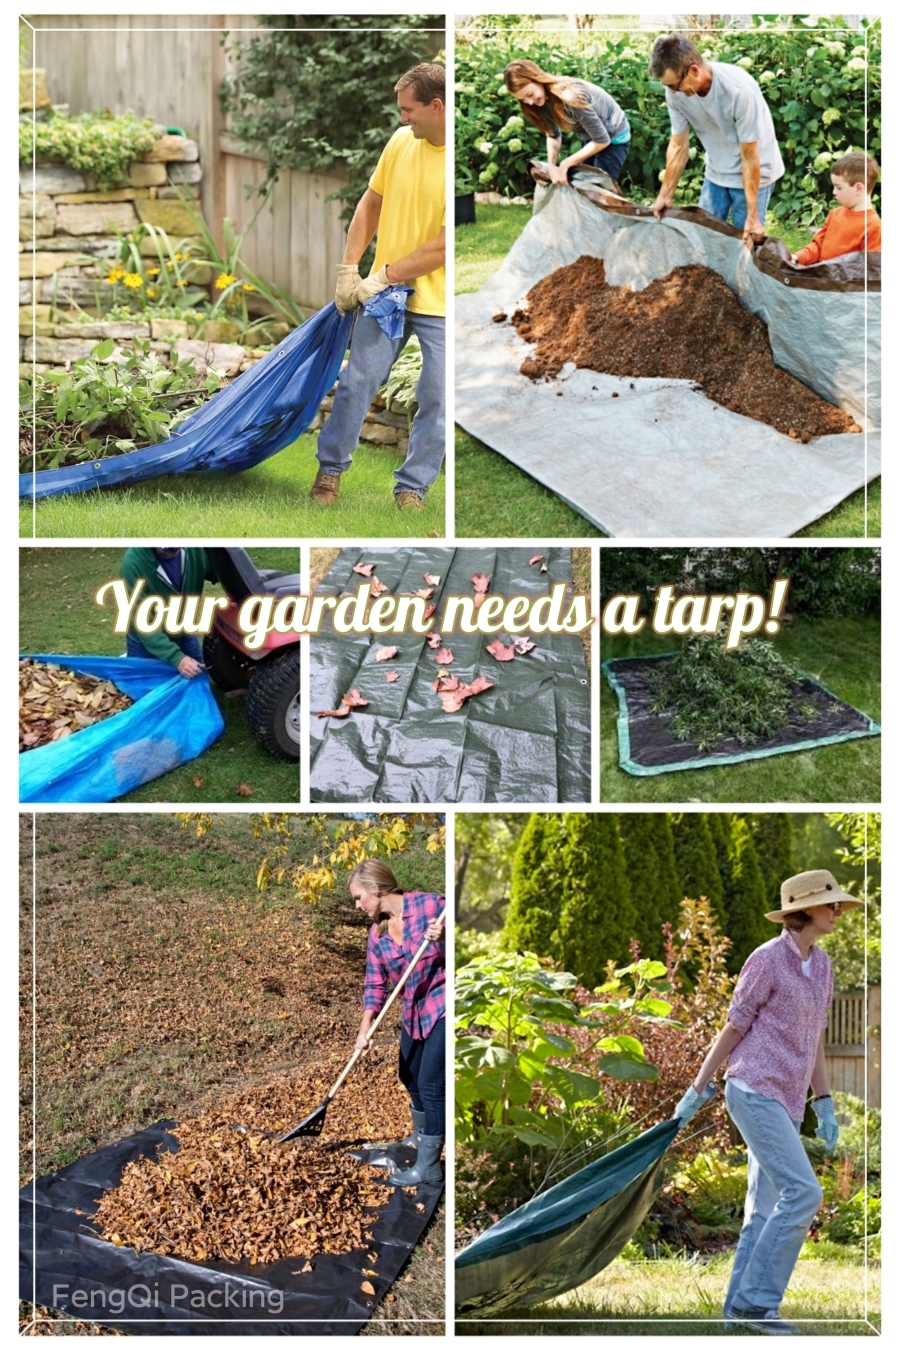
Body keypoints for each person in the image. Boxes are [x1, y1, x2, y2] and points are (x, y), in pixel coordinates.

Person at [674, 869, 862, 1333]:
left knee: (764, 1209)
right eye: (830, 904)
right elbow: (734, 1026)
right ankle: (756, 1305)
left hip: (788, 1100)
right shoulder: (766, 959)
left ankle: (737, 1312)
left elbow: (815, 1040)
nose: (837, 911)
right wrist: (697, 1088)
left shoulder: (822, 966)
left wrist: (825, 1103)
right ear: (803, 910)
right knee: (805, 1192)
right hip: (753, 1089)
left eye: (837, 903)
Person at [310, 62, 446, 512]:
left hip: (440, 304)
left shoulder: (454, 164)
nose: (402, 118)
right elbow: (372, 201)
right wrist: (348, 267)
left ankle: (412, 488)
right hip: (385, 295)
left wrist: (382, 274)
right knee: (357, 382)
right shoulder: (400, 142)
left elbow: (444, 246)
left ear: (437, 106)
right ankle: (329, 471)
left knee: (438, 398)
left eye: (409, 110)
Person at [351, 860, 446, 1186]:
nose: (357, 904)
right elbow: (375, 985)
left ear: (376, 889)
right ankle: (422, 1136)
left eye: (358, 897)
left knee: (432, 1084)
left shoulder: (433, 906)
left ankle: (429, 1166)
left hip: (443, 1004)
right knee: (408, 1074)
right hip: (413, 1012)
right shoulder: (376, 935)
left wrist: (447, 938)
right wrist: (365, 1028)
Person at [649, 32, 784, 250]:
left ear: (693, 70)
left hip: (753, 171)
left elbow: (750, 155)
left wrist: (753, 215)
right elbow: (678, 145)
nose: (672, 92)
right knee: (702, 237)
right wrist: (665, 194)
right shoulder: (674, 93)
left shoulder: (739, 91)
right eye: (668, 87)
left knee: (743, 245)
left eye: (675, 85)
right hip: (716, 171)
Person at [504, 59, 631, 189]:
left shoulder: (571, 97)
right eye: (523, 100)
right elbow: (553, 135)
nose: (529, 102)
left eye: (530, 94)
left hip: (614, 137)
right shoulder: (541, 102)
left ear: (538, 79)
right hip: (593, 137)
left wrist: (566, 163)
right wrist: (552, 165)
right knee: (584, 186)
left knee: (599, 191)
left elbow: (602, 141)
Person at [120, 547, 219, 677]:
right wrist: (177, 658)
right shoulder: (133, 564)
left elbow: (222, 571)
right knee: (144, 687)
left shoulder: (195, 549)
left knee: (198, 675)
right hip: (144, 639)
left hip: (183, 630)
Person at [791, 152, 881, 266]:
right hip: (819, 277)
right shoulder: (834, 214)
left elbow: (869, 270)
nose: (834, 192)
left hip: (842, 282)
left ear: (859, 188)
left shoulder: (873, 226)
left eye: (839, 187)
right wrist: (798, 257)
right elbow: (818, 246)